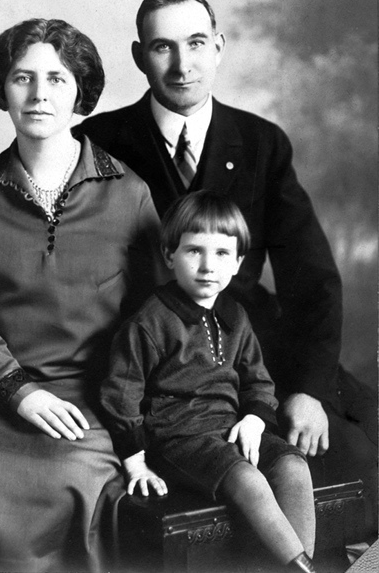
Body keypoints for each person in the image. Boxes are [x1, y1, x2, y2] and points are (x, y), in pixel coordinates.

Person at [75, 0, 377, 538]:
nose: (182, 64)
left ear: (218, 46)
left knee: (360, 447)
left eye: (195, 43)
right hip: (155, 362)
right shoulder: (97, 142)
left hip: (255, 350)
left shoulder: (261, 142)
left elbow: (311, 278)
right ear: (140, 56)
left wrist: (307, 388)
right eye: (162, 47)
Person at [0, 18, 164, 573]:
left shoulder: (128, 192)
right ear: (0, 90)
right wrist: (19, 390)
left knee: (73, 482)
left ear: (80, 90)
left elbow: (156, 311)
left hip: (93, 396)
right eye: (22, 78)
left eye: (56, 78)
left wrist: (129, 400)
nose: (38, 95)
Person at [101, 191, 317, 573]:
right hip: (179, 438)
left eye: (221, 253)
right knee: (247, 479)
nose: (207, 266)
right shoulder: (150, 321)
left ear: (237, 263)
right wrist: (136, 464)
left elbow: (257, 382)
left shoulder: (235, 315)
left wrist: (253, 419)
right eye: (193, 251)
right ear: (170, 255)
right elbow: (121, 394)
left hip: (231, 429)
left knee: (292, 465)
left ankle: (303, 565)